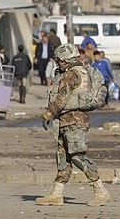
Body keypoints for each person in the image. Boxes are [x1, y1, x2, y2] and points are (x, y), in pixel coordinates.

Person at [36, 43, 110, 207]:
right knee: (64, 158)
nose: (57, 63)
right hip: (68, 120)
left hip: (73, 120)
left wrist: (49, 113)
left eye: (59, 60)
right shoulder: (79, 72)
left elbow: (62, 98)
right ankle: (56, 194)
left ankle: (100, 190)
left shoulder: (71, 75)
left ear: (64, 61)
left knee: (77, 156)